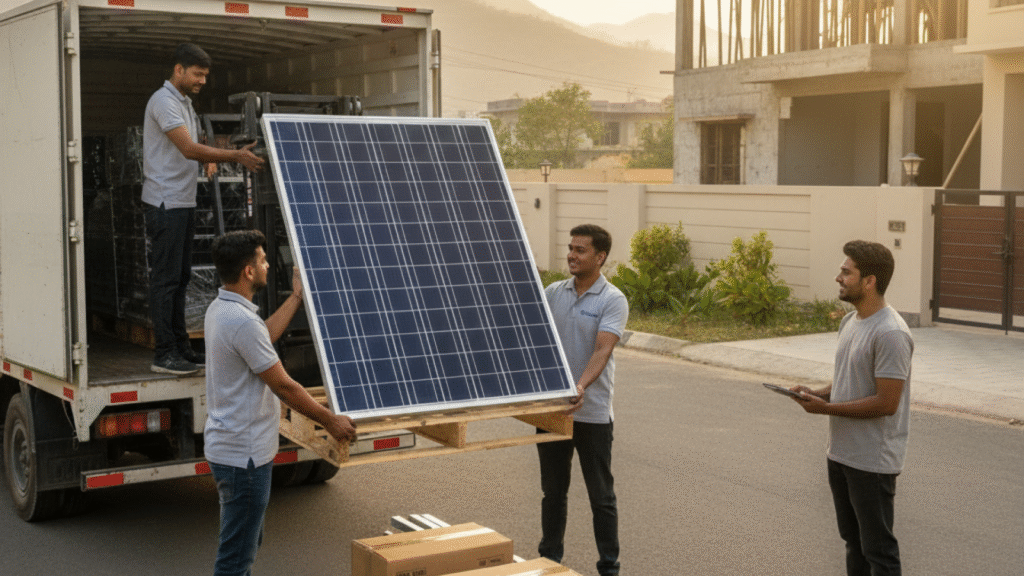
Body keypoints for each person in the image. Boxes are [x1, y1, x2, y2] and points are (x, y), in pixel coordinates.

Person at [204, 229, 356, 576]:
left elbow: (263, 336)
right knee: (235, 560)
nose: (268, 265)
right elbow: (285, 388)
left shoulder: (223, 309)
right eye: (262, 259)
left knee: (244, 543)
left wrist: (296, 297)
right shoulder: (241, 322)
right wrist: (329, 420)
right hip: (244, 458)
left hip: (231, 450)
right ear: (248, 271)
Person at [790, 240, 913, 576]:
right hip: (841, 454)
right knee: (853, 543)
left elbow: (887, 402)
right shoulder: (851, 322)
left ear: (869, 281)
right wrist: (818, 394)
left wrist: (825, 410)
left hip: (871, 461)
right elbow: (850, 382)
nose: (838, 278)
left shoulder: (890, 333)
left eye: (846, 272)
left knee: (878, 551)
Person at [143, 42, 264, 375]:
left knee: (180, 278)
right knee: (166, 281)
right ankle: (164, 353)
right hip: (166, 202)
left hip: (183, 201)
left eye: (205, 76)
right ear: (179, 70)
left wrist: (217, 156)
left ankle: (180, 348)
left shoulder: (184, 104)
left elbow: (197, 146)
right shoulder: (164, 101)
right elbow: (187, 148)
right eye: (197, 74)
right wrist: (231, 157)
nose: (202, 81)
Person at [537, 224, 628, 576]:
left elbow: (603, 348)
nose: (572, 255)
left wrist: (580, 386)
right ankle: (549, 560)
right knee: (553, 495)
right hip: (553, 413)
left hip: (591, 415)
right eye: (571, 248)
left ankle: (609, 567)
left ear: (600, 257)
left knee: (601, 498)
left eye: (581, 250)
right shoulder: (553, 292)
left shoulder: (612, 299)